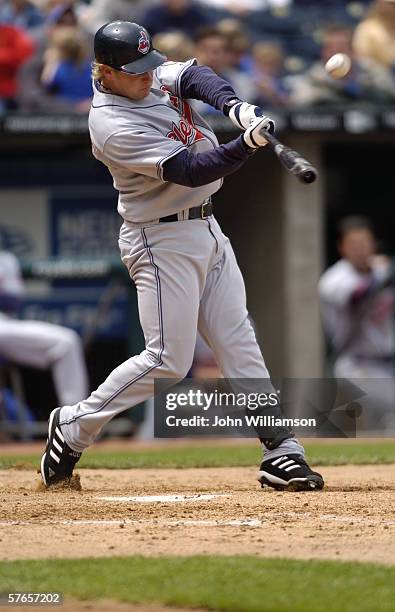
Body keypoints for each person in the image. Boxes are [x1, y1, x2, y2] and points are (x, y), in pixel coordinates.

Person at [40, 20, 324, 492]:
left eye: (149, 66)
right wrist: (246, 144)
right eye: (135, 71)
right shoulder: (110, 123)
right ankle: (73, 426)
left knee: (238, 340)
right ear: (106, 73)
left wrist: (235, 107)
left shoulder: (144, 73)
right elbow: (190, 170)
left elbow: (195, 76)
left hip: (207, 227)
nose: (148, 77)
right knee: (167, 360)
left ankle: (281, 451)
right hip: (159, 239)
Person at [319, 217, 395, 427]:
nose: (361, 250)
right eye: (354, 245)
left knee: (383, 425)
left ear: (373, 244)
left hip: (389, 364)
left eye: (365, 243)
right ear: (342, 248)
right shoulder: (335, 279)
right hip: (356, 364)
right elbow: (358, 296)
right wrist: (388, 274)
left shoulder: (382, 270)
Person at [0, 250, 89, 410]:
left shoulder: (5, 260)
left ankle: (73, 420)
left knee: (66, 342)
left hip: (3, 326)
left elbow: (13, 302)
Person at [289, 23, 395, 106]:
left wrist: (367, 92)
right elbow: (298, 102)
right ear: (323, 52)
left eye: (341, 48)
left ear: (352, 51)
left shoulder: (372, 70)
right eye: (330, 48)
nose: (335, 53)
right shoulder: (315, 76)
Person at [353, 0, 395, 84]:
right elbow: (365, 64)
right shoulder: (366, 29)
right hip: (381, 82)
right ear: (380, 3)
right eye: (393, 4)